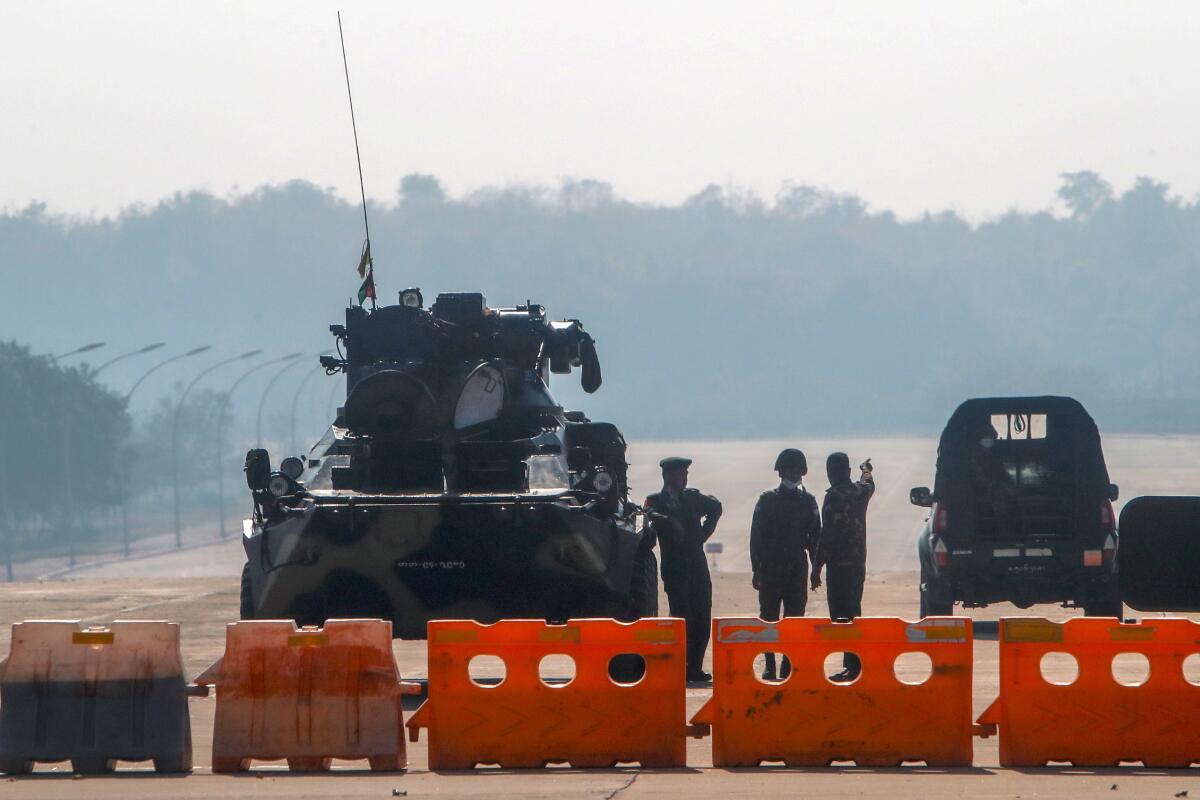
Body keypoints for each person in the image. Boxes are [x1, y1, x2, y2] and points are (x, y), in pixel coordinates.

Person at [643, 456, 722, 682]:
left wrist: (702, 535)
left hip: (697, 564)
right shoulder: (655, 500)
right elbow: (646, 513)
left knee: (702, 615)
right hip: (675, 567)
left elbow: (716, 507)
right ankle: (679, 663)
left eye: (686, 474)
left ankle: (695, 666)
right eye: (680, 474)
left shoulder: (693, 498)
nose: (684, 479)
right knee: (681, 616)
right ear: (667, 476)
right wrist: (668, 522)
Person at [750, 447, 822, 681]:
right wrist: (756, 569)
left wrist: (815, 570)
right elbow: (756, 537)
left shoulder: (808, 501)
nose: (793, 474)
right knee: (769, 618)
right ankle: (770, 665)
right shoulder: (767, 500)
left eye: (797, 470)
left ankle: (787, 665)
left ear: (803, 472)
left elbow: (815, 538)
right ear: (780, 472)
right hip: (771, 567)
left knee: (794, 619)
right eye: (789, 470)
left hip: (796, 568)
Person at [812, 452, 875, 682]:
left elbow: (826, 535)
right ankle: (854, 663)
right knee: (854, 612)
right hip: (858, 564)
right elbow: (869, 482)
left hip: (839, 567)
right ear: (848, 472)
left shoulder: (833, 497)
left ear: (830, 474)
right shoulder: (860, 491)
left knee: (840, 617)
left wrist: (816, 568)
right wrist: (865, 469)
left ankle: (852, 665)